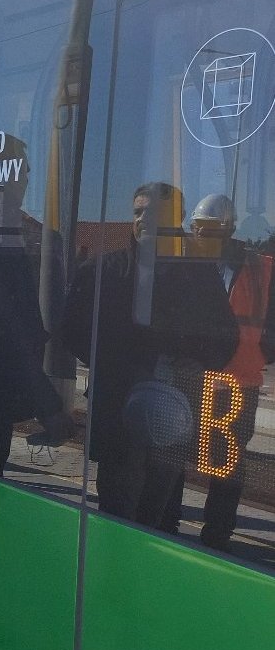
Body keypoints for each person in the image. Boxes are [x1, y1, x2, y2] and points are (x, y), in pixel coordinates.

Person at [64, 182, 237, 528]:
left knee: (157, 514)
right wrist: (120, 365)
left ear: (178, 219)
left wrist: (198, 361)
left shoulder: (199, 274)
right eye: (138, 211)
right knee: (116, 512)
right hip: (118, 413)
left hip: (174, 415)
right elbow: (72, 329)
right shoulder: (105, 270)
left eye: (154, 212)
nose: (143, 219)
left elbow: (225, 336)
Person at [186, 194, 273, 550]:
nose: (206, 236)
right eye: (201, 230)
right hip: (192, 376)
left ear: (230, 230)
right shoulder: (183, 264)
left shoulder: (259, 270)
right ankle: (165, 523)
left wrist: (253, 356)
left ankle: (216, 534)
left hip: (236, 381)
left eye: (214, 230)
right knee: (176, 454)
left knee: (227, 464)